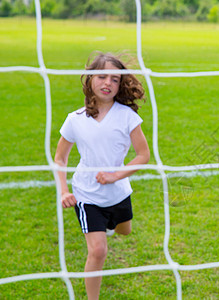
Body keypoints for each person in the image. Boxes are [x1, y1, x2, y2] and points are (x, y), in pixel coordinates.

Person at [54, 51, 150, 300]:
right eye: (102, 76)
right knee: (97, 251)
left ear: (120, 86)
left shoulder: (128, 117)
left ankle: (110, 225)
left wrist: (116, 176)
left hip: (118, 193)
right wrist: (64, 190)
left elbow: (143, 155)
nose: (108, 82)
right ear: (89, 80)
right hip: (87, 196)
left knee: (124, 230)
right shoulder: (74, 120)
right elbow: (60, 158)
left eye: (115, 79)